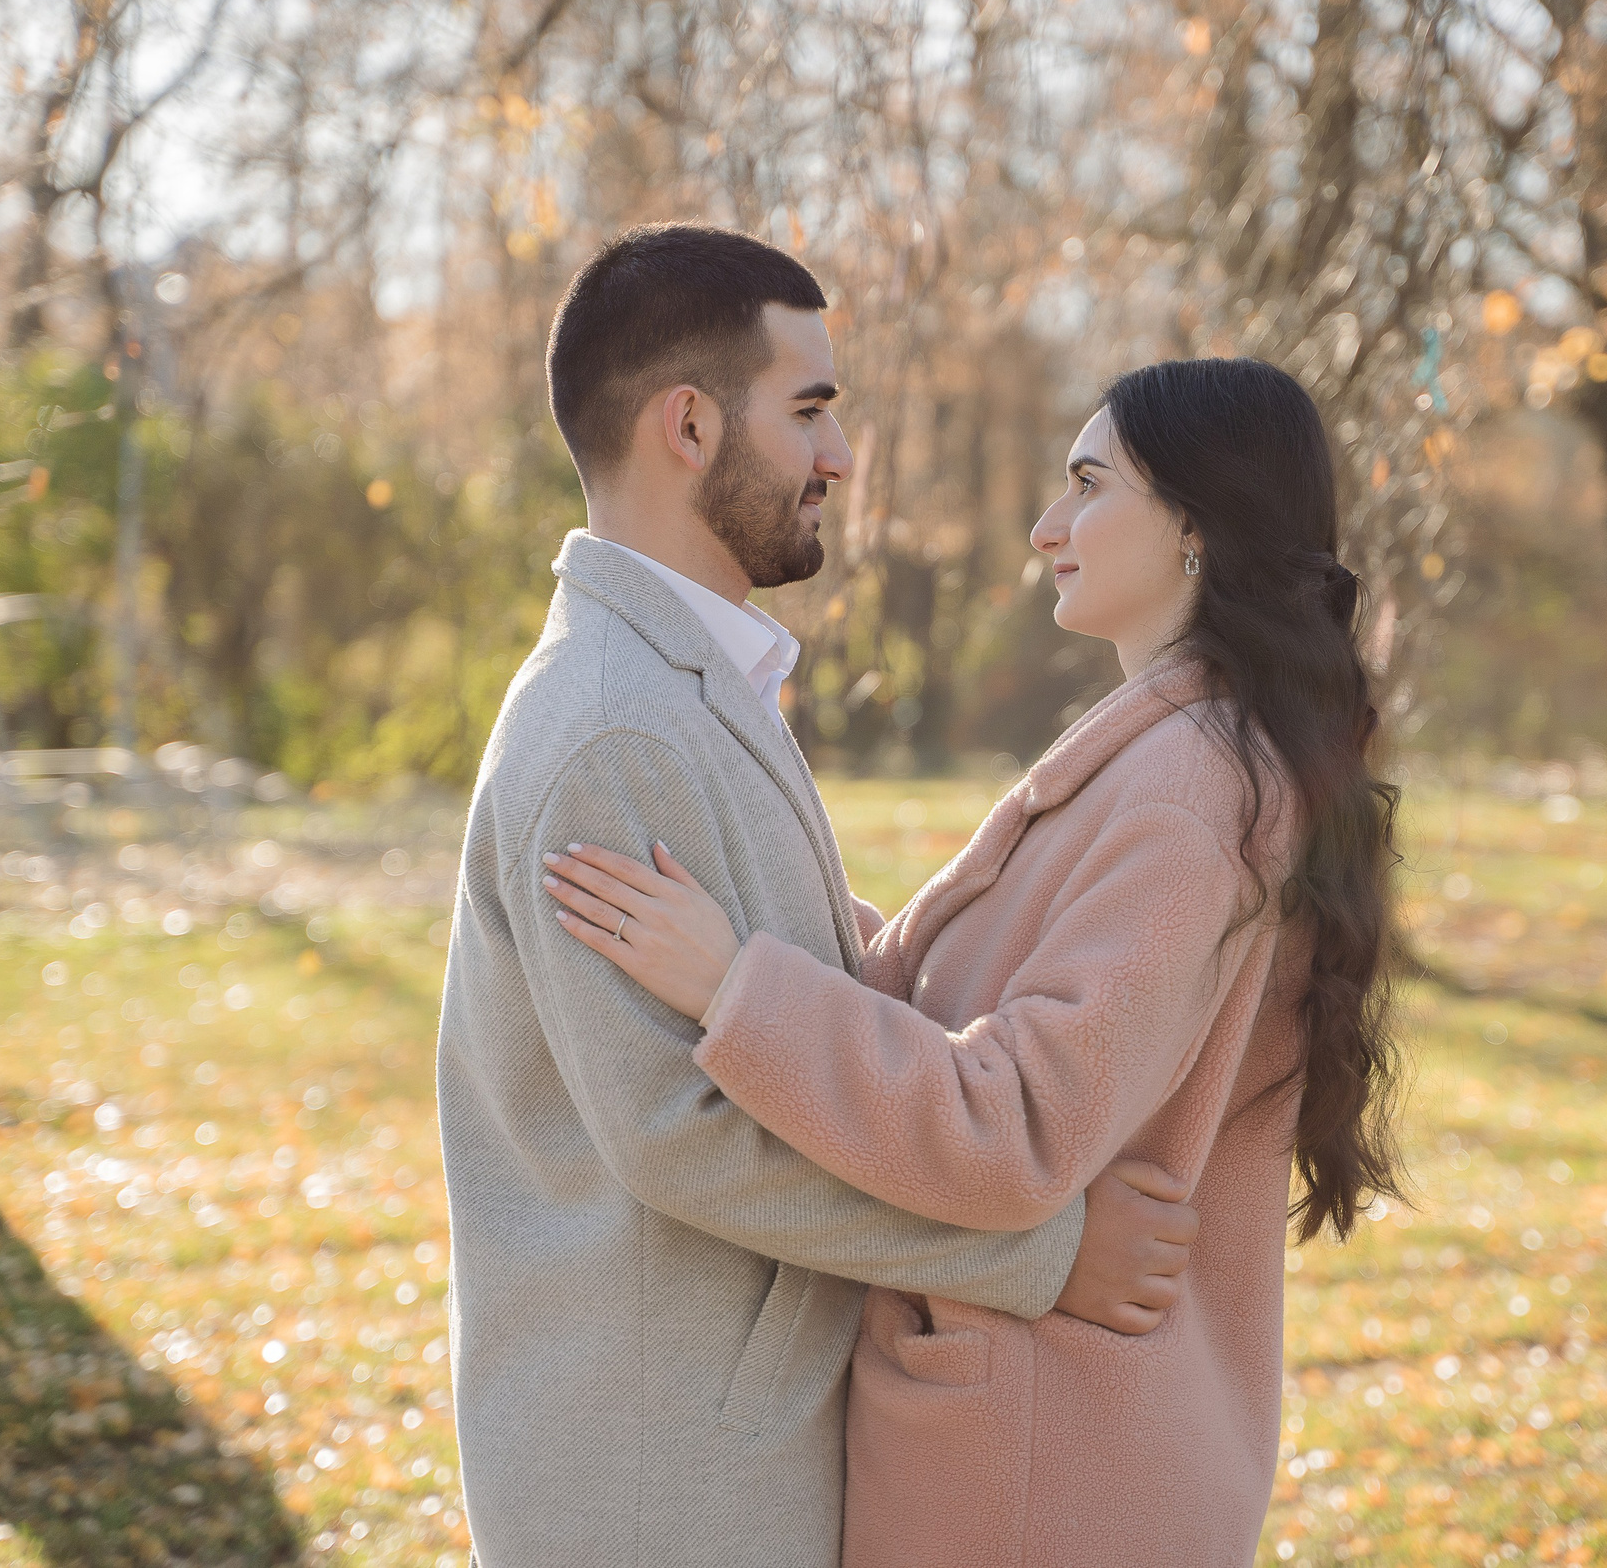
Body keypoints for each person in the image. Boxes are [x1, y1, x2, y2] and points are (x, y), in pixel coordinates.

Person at [543, 354, 1404, 1566]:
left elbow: (1013, 1128)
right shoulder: (1181, 754)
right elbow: (966, 998)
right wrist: (743, 884)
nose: (1048, 526)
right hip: (1067, 1443)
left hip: (1041, 1473)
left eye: (1090, 485)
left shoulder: (1184, 793)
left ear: (1196, 530)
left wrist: (737, 988)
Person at [434, 224, 1205, 1568]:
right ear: (688, 425)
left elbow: (799, 976)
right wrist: (1041, 1254)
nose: (840, 457)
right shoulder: (617, 727)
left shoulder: (684, 686)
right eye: (809, 411)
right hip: (656, 1477)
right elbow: (681, 1134)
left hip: (722, 1438)